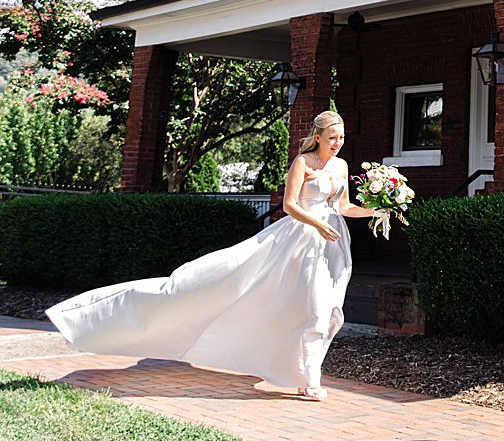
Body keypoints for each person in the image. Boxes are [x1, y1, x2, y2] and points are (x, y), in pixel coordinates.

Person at [47, 110, 379, 400]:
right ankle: (310, 380)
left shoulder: (341, 166)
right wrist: (316, 224)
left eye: (342, 137)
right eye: (332, 137)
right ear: (317, 136)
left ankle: (301, 372)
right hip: (299, 242)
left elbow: (344, 206)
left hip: (332, 246)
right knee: (307, 306)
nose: (337, 143)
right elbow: (291, 205)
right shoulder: (303, 163)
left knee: (324, 308)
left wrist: (377, 211)